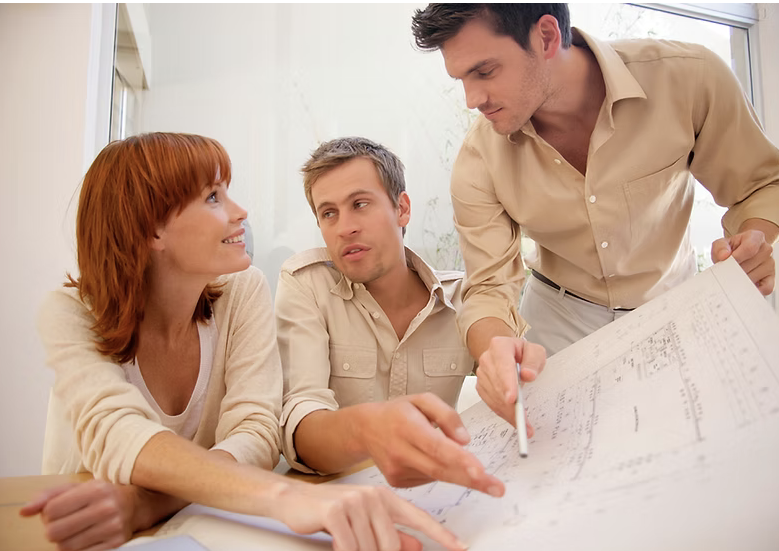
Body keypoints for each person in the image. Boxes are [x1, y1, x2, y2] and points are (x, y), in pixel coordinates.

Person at [20, 133, 467, 551]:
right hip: (81, 527)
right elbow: (119, 437)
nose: (240, 212)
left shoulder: (242, 290)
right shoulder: (71, 312)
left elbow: (256, 432)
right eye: (213, 197)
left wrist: (146, 503)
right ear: (153, 230)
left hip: (196, 523)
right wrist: (288, 497)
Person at [410, 3, 779, 425]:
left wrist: (756, 239)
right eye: (461, 79)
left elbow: (760, 184)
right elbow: (490, 286)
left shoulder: (689, 78)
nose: (472, 100)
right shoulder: (478, 159)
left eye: (485, 71)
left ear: (546, 37)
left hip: (672, 308)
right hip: (557, 321)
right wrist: (492, 348)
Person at [276, 137, 544, 496]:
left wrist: (515, 371)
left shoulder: (464, 299)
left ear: (402, 209)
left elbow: (513, 383)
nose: (345, 227)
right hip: (341, 499)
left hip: (439, 494)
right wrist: (368, 432)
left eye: (360, 204)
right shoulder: (305, 285)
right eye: (329, 213)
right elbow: (300, 428)